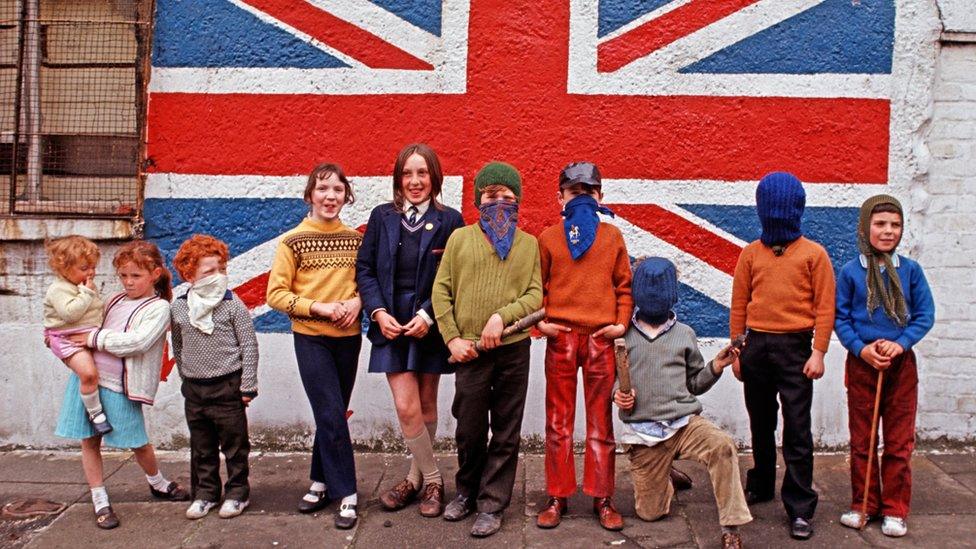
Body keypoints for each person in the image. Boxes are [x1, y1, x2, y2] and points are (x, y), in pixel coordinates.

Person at [432, 161, 543, 538]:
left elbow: (534, 295)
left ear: (518, 202)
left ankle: (493, 504)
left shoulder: (529, 245)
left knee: (507, 431)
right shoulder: (460, 240)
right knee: (469, 427)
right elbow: (441, 291)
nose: (499, 202)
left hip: (514, 350)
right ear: (478, 198)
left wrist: (502, 317)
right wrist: (452, 338)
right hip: (470, 352)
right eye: (491, 195)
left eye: (507, 197)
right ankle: (466, 491)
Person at [356, 143, 464, 518]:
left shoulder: (450, 220)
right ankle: (433, 478)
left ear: (434, 178)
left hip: (428, 323)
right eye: (408, 173)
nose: (415, 181)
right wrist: (377, 311)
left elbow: (455, 277)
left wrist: (430, 316)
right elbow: (365, 269)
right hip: (390, 321)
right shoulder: (381, 216)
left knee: (427, 403)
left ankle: (413, 479)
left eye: (422, 173)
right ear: (398, 179)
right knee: (406, 405)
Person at [614, 257, 752, 549]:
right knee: (650, 514)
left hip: (684, 425)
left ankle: (731, 528)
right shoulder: (622, 335)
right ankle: (667, 476)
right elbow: (610, 381)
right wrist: (618, 393)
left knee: (722, 446)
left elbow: (694, 385)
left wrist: (717, 364)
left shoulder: (684, 334)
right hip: (643, 435)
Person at [730, 172, 836, 541]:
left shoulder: (813, 255)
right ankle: (760, 483)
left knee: (798, 429)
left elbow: (825, 308)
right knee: (760, 423)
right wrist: (737, 349)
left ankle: (800, 505)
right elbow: (739, 304)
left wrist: (819, 352)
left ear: (796, 210)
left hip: (796, 350)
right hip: (756, 346)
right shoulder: (750, 254)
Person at [55, 240, 190, 529]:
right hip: (90, 380)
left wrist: (93, 339)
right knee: (89, 441)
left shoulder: (159, 308)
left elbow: (137, 342)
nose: (128, 282)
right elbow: (88, 320)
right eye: (123, 276)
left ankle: (158, 483)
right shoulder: (115, 300)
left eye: (135, 276)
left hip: (120, 386)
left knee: (138, 442)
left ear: (154, 274)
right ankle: (99, 497)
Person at [535, 161, 633, 531]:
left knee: (600, 424)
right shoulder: (548, 238)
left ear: (600, 196)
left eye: (588, 192)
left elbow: (624, 286)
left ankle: (602, 496)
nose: (581, 198)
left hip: (599, 340)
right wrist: (541, 323)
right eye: (574, 192)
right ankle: (557, 495)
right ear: (560, 197)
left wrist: (621, 323)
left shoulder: (612, 237)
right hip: (561, 338)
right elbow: (538, 287)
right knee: (558, 423)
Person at [266, 163, 363, 529]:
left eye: (338, 190)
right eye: (323, 189)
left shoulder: (356, 239)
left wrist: (357, 303)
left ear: (346, 196)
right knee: (330, 413)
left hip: (349, 339)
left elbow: (364, 284)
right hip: (310, 338)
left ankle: (320, 481)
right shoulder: (292, 240)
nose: (330, 197)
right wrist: (318, 307)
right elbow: (275, 294)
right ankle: (348, 493)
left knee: (333, 413)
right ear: (310, 195)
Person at [834, 195, 934, 538]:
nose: (888, 231)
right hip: (863, 365)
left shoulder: (911, 271)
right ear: (865, 227)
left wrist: (900, 343)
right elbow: (841, 318)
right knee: (862, 440)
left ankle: (894, 508)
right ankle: (864, 504)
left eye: (895, 224)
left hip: (901, 367)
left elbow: (924, 315)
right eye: (880, 224)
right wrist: (862, 350)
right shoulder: (850, 272)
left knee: (898, 441)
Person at [171, 234, 259, 520]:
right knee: (202, 448)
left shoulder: (233, 306)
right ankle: (206, 493)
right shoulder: (179, 307)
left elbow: (248, 346)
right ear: (189, 274)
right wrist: (186, 375)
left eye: (221, 269)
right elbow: (178, 344)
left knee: (235, 447)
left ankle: (237, 493)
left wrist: (247, 386)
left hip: (228, 387)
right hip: (195, 389)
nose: (217, 276)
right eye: (209, 271)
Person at [43, 235, 111, 435]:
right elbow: (70, 314)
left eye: (93, 267)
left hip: (87, 335)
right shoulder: (59, 289)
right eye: (84, 268)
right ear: (64, 269)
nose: (91, 273)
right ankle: (95, 413)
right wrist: (87, 294)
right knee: (88, 373)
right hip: (67, 339)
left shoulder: (82, 287)